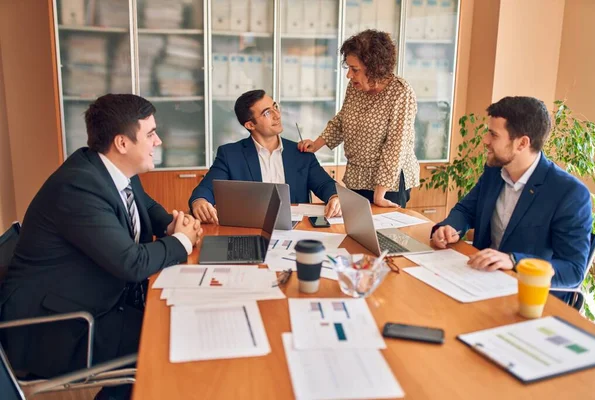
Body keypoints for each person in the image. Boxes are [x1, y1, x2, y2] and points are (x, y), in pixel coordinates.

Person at [0, 94, 202, 399]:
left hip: (97, 301)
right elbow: (131, 263)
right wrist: (182, 240)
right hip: (59, 327)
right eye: (150, 134)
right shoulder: (78, 186)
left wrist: (173, 224)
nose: (158, 141)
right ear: (122, 143)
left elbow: (145, 207)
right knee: (168, 341)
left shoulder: (111, 168)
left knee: (177, 319)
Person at [431, 96, 592, 297]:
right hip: (478, 283)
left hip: (525, 296)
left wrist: (514, 261)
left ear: (522, 143)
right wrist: (449, 228)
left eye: (493, 135)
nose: (485, 141)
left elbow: (572, 269)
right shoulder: (494, 172)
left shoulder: (569, 193)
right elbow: (465, 211)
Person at [298, 29, 420, 208]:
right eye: (348, 68)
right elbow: (342, 120)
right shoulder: (355, 87)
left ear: (376, 68)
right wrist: (316, 144)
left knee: (383, 234)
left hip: (388, 183)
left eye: (354, 69)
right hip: (357, 176)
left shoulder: (401, 92)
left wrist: (379, 194)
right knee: (358, 230)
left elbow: (396, 146)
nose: (349, 75)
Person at [189, 89, 341, 224]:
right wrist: (200, 201)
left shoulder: (300, 153)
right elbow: (205, 189)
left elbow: (325, 184)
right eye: (267, 113)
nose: (277, 115)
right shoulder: (230, 154)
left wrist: (335, 196)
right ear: (250, 125)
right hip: (251, 229)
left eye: (275, 107)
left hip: (296, 231)